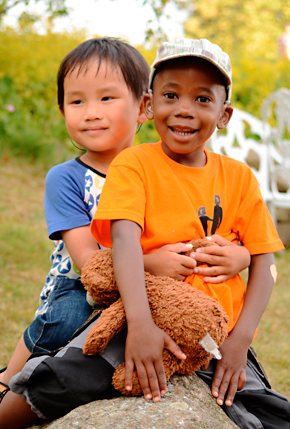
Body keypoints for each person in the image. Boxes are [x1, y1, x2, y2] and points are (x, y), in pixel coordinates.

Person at [0, 37, 251, 428]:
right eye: (76, 102)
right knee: (68, 321)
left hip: (148, 287)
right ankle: (10, 382)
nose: (91, 113)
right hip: (81, 285)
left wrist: (241, 254)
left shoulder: (160, 164)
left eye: (106, 99)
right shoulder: (67, 178)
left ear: (143, 108)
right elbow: (86, 262)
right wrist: (153, 262)